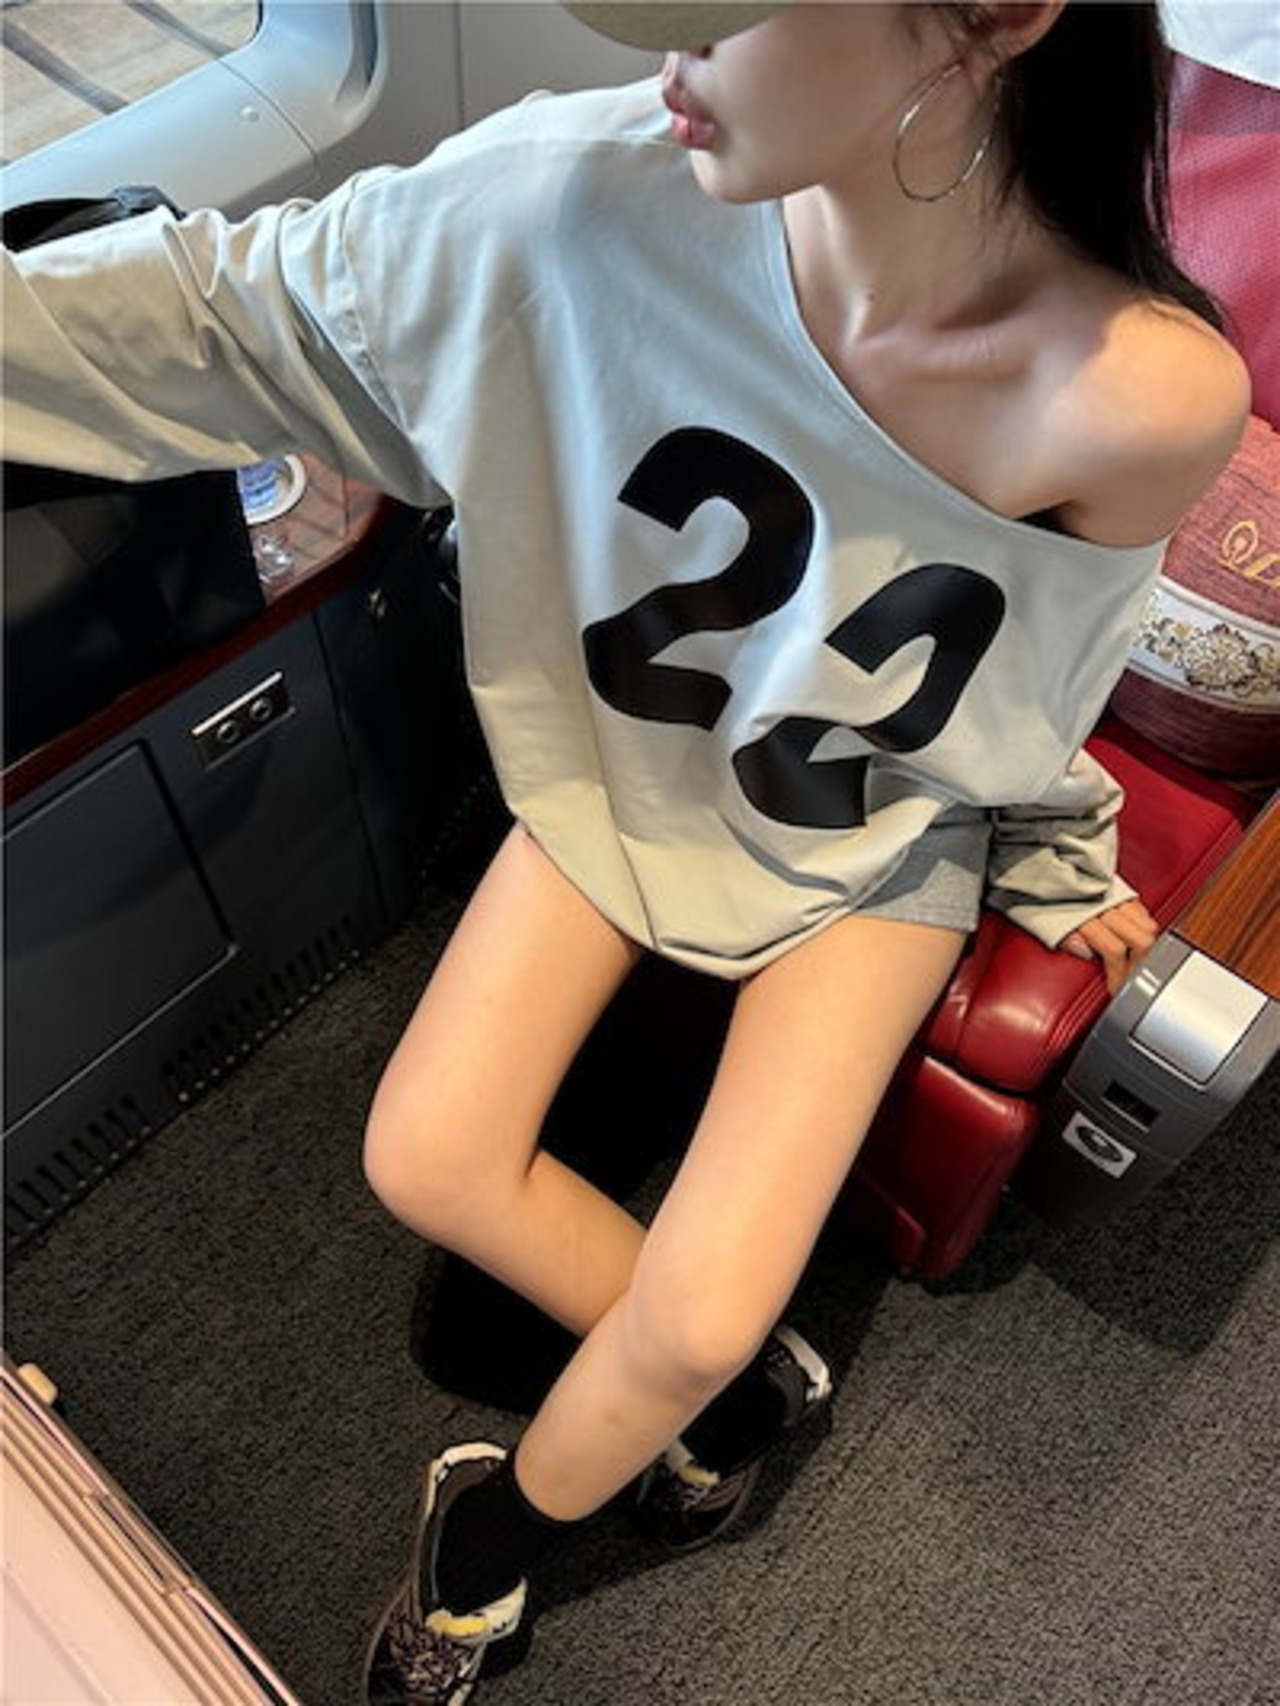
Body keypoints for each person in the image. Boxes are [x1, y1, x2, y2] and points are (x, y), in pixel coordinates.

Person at [2, 3, 1249, 1701]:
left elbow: (1038, 683)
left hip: (869, 829)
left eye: (723, 8)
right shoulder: (572, 199)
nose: (669, 58)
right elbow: (228, 303)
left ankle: (483, 1557)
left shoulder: (1139, 394)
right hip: (622, 774)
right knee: (425, 1154)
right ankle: (724, 1404)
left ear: (997, 18)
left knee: (702, 1312)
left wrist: (1060, 863)